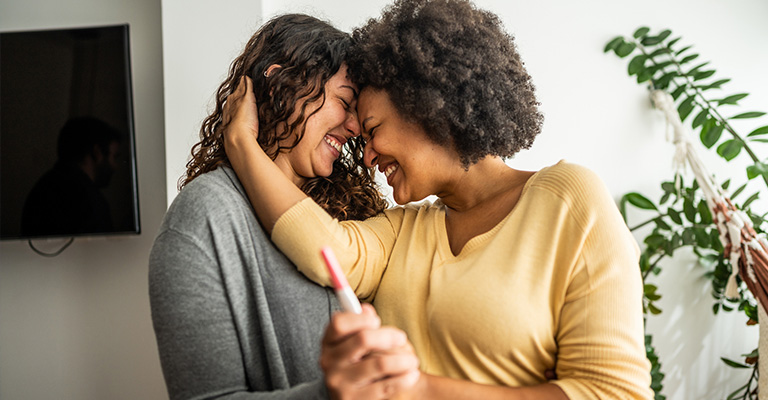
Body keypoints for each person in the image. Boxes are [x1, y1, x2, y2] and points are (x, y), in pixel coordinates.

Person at [223, 0, 654, 399]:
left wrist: (419, 388)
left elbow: (613, 393)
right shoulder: (404, 229)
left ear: (428, 108)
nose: (368, 155)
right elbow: (324, 252)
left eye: (372, 129)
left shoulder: (569, 201)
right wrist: (243, 145)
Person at [148, 14, 417, 400]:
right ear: (280, 85)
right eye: (344, 102)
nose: (356, 127)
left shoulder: (357, 210)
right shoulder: (203, 219)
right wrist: (331, 395)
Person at [21, 116, 120, 237]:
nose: (115, 166)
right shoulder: (91, 201)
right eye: (114, 157)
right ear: (97, 153)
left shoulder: (41, 188)